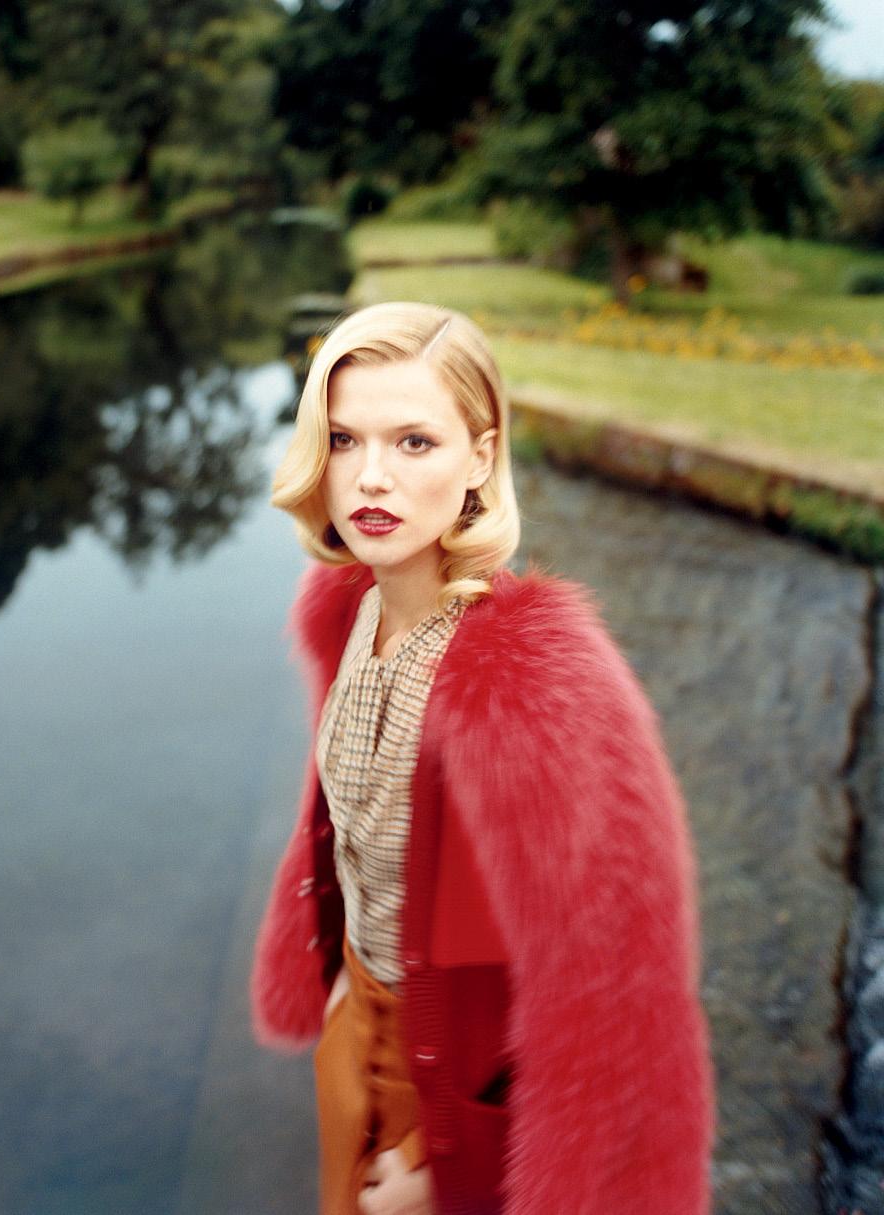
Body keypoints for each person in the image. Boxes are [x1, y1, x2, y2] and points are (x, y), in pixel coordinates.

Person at [249, 300, 715, 1215]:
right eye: (343, 439)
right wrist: (340, 982)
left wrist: (453, 1167)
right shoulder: (348, 608)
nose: (370, 476)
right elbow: (347, 824)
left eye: (414, 441)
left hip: (453, 1102)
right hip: (357, 1033)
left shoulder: (539, 689)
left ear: (480, 456)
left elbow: (609, 988)